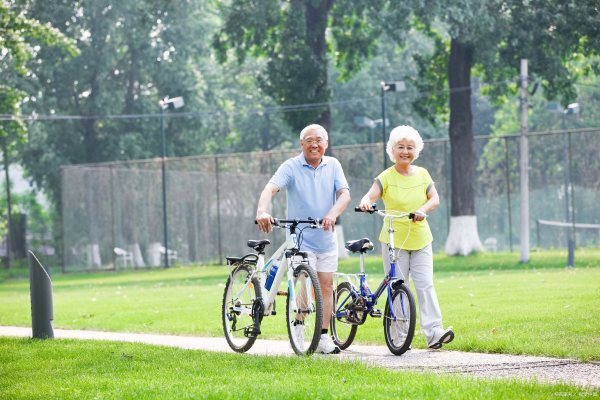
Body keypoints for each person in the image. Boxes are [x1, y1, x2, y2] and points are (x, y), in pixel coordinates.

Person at [256, 123, 351, 354]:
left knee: (327, 286)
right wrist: (262, 211)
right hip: (299, 238)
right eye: (309, 140)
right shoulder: (291, 166)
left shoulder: (334, 165)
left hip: (326, 238)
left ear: (326, 144)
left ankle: (323, 337)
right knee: (307, 282)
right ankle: (299, 324)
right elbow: (270, 188)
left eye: (319, 140)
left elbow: (344, 194)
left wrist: (332, 214)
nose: (314, 144)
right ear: (301, 144)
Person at [358, 125, 454, 350]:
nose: (405, 151)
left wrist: (423, 210)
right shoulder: (386, 177)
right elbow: (370, 195)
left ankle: (434, 333)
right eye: (400, 147)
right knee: (398, 287)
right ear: (392, 150)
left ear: (416, 150)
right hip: (394, 240)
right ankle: (399, 336)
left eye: (410, 147)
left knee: (425, 285)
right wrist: (365, 202)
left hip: (421, 238)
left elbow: (435, 199)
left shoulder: (422, 174)